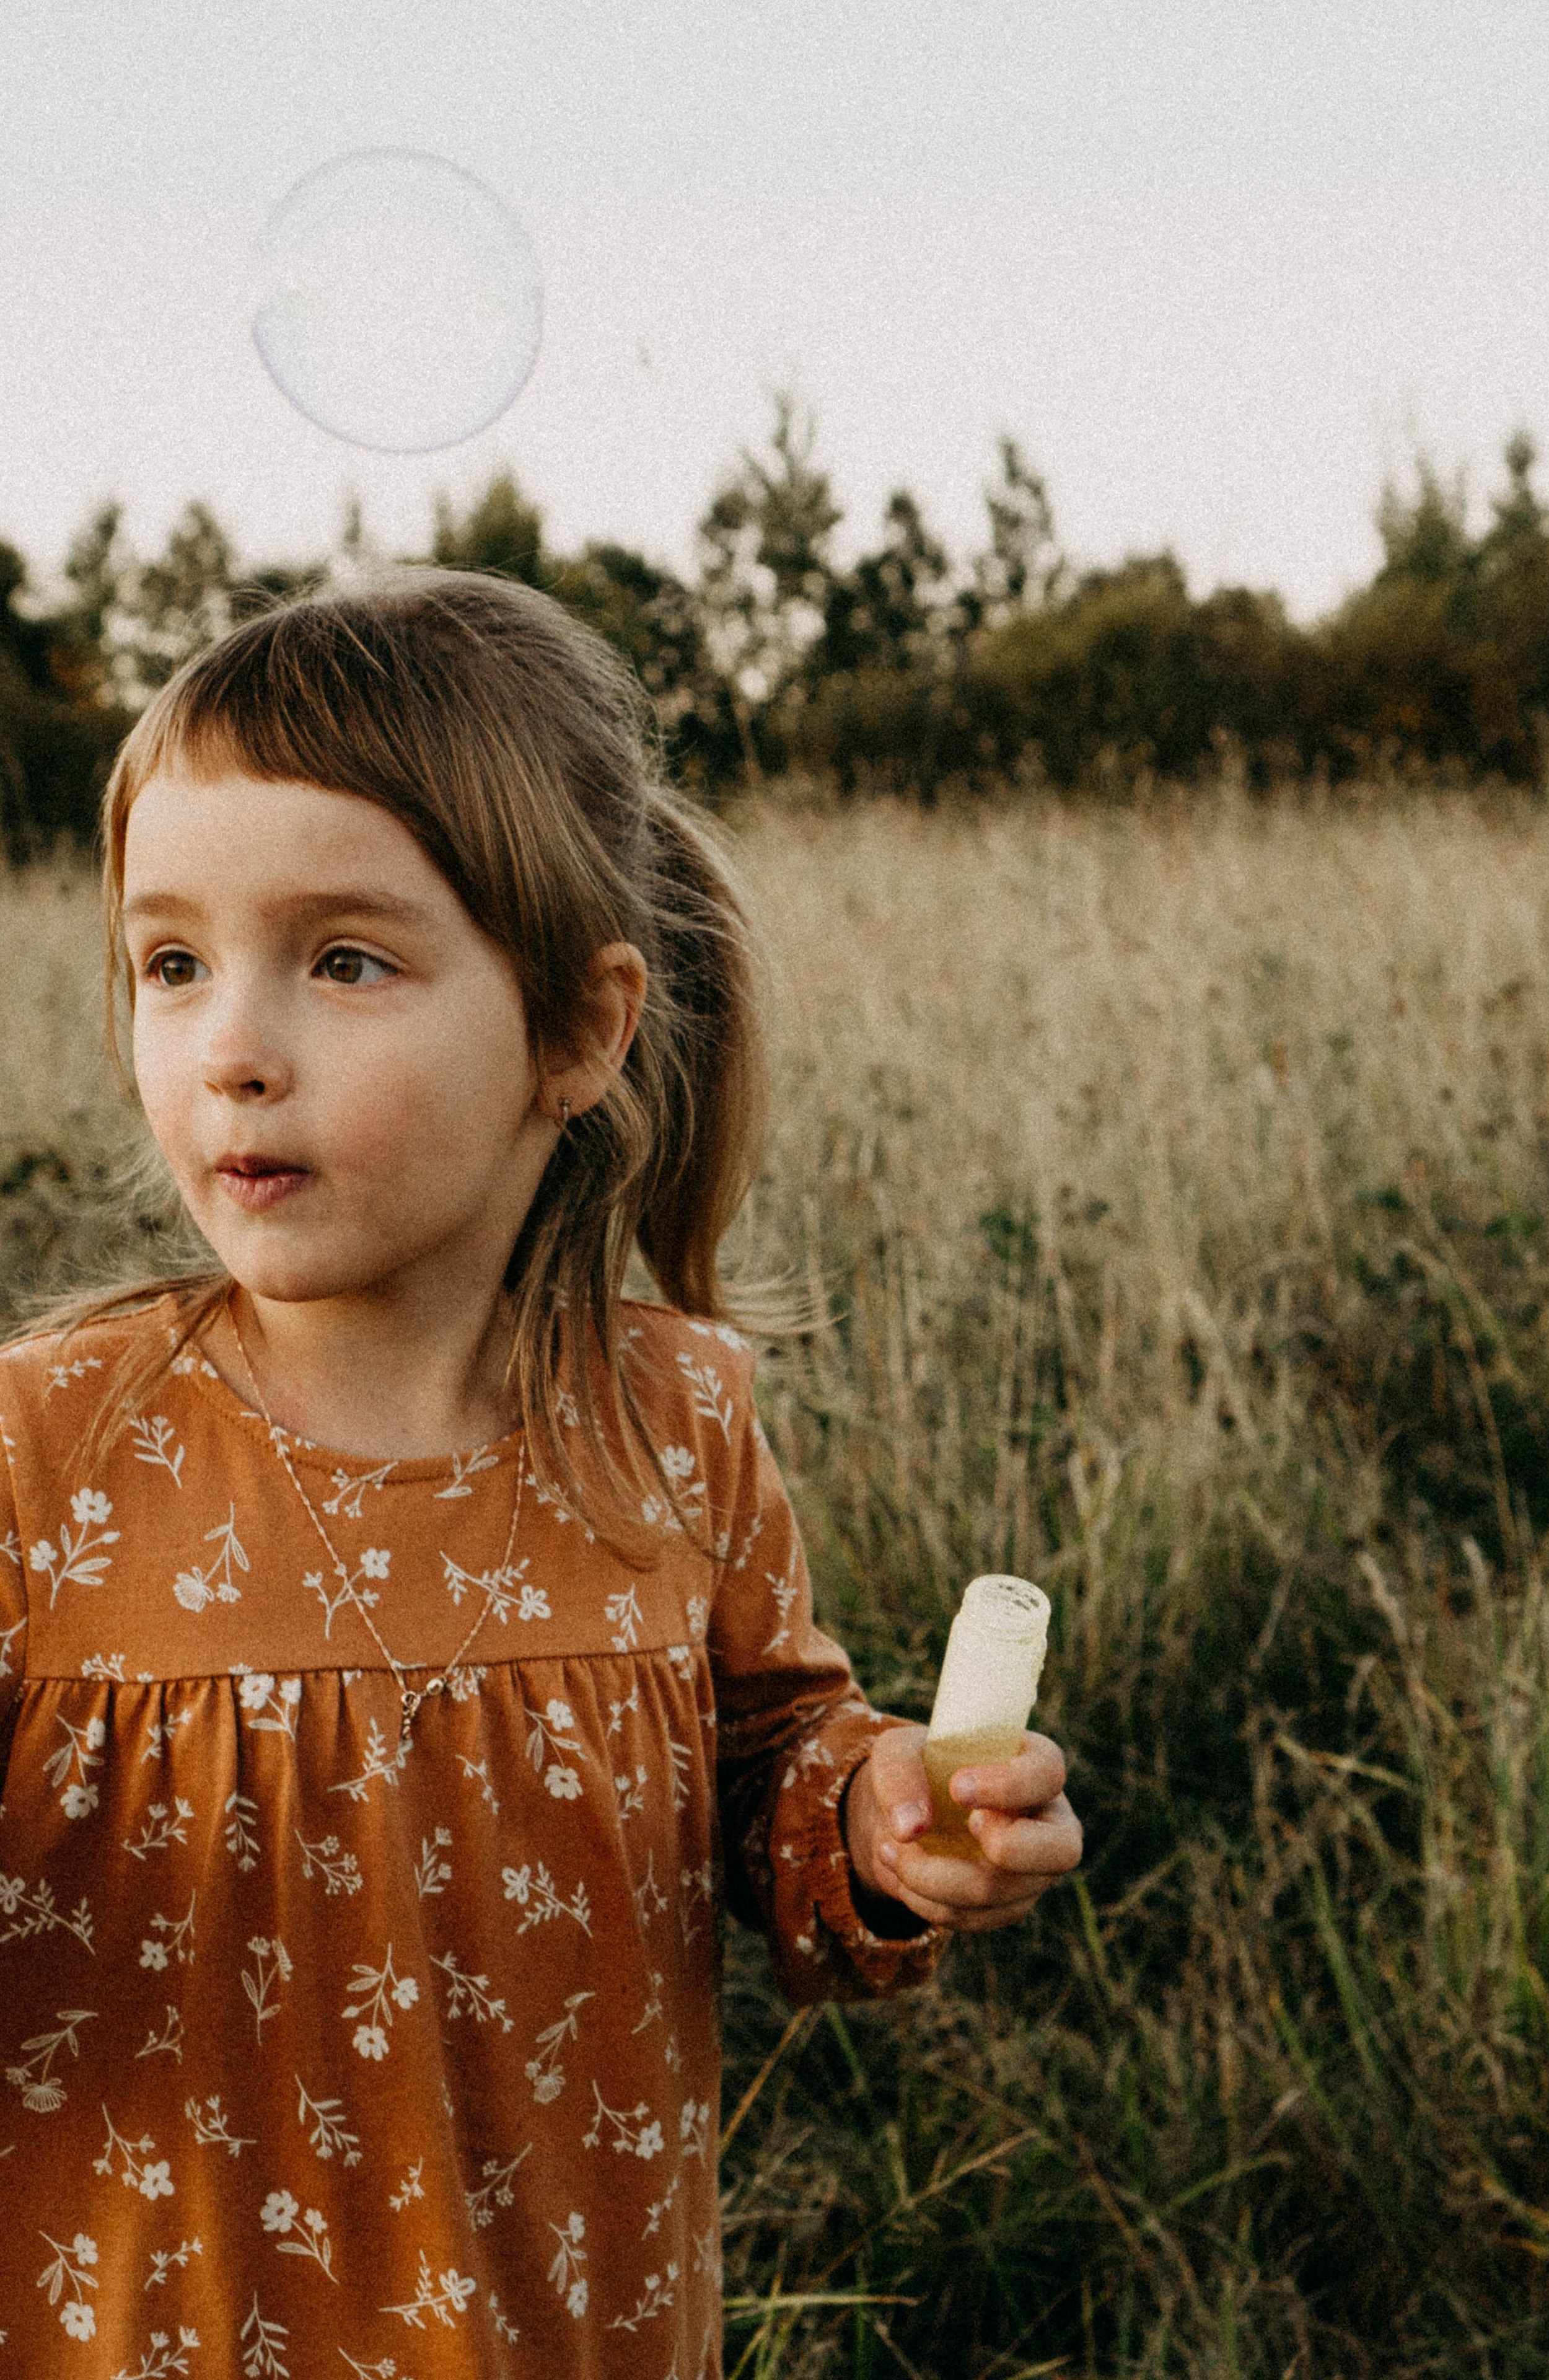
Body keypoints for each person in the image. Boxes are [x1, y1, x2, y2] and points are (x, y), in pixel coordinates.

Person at [0, 570, 1082, 2376]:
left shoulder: (667, 1424)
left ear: (577, 1031)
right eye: (170, 962)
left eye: (344, 959)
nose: (231, 1048)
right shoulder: (50, 1451)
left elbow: (761, 1773)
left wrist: (882, 1814)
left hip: (564, 2328)